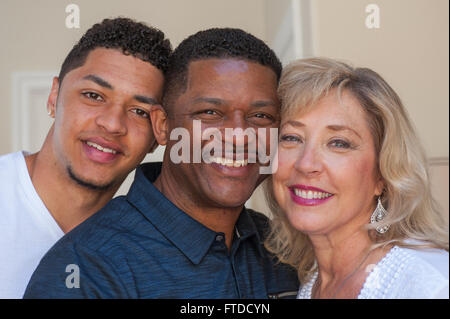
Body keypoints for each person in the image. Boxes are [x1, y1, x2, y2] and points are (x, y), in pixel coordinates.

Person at [23, 28, 299, 298]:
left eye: (261, 116)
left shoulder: (286, 246)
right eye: (210, 112)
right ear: (163, 125)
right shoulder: (85, 267)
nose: (240, 138)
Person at [0, 18, 171, 298]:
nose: (113, 124)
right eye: (93, 95)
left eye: (139, 111)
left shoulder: (148, 248)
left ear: (157, 135)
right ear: (54, 97)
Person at [265, 57, 449, 299]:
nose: (306, 164)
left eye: (338, 143)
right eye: (291, 138)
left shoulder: (430, 283)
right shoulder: (311, 284)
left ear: (382, 174)